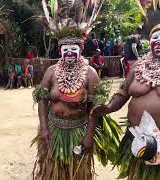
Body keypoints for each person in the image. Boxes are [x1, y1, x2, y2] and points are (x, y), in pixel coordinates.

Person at [32, 1, 120, 179]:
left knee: (77, 173)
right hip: (54, 129)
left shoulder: (90, 73)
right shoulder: (50, 72)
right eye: (66, 49)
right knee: (54, 172)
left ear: (80, 49)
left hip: (79, 132)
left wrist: (89, 136)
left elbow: (95, 109)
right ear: (60, 51)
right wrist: (43, 128)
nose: (70, 52)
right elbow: (42, 100)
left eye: (74, 48)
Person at [90, 23, 160, 180]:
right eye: (155, 37)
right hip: (138, 137)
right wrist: (108, 107)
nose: (159, 41)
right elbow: (122, 93)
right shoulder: (138, 66)